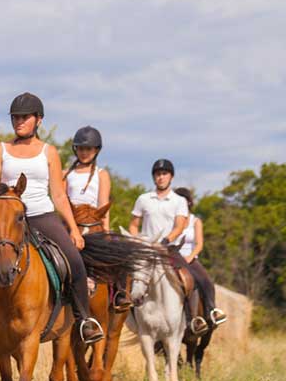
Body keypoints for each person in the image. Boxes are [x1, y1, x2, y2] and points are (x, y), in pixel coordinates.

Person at [0, 92, 105, 344]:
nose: (19, 121)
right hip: (7, 219)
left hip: (41, 214)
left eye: (25, 117)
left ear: (38, 120)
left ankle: (84, 320)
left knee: (74, 261)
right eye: (15, 117)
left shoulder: (49, 152)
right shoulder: (0, 150)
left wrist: (74, 229)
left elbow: (58, 194)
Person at [128, 159, 207, 334]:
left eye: (164, 174)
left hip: (169, 249)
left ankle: (192, 318)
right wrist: (137, 240)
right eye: (158, 174)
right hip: (146, 250)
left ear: (171, 177)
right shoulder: (143, 199)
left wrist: (165, 240)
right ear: (153, 177)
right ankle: (129, 315)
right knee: (130, 277)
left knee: (189, 278)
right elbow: (133, 225)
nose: (161, 177)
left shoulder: (178, 201)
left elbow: (179, 226)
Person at [64, 126, 131, 311]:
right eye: (81, 148)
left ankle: (119, 293)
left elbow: (103, 204)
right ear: (75, 149)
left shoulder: (102, 174)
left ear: (96, 150)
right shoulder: (66, 174)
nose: (84, 152)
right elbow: (62, 201)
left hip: (94, 222)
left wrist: (106, 230)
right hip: (73, 221)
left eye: (89, 149)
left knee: (118, 251)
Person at [173, 187, 227, 330]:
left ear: (189, 203)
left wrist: (189, 257)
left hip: (190, 259)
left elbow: (199, 244)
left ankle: (211, 311)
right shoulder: (171, 221)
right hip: (173, 258)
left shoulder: (195, 221)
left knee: (206, 281)